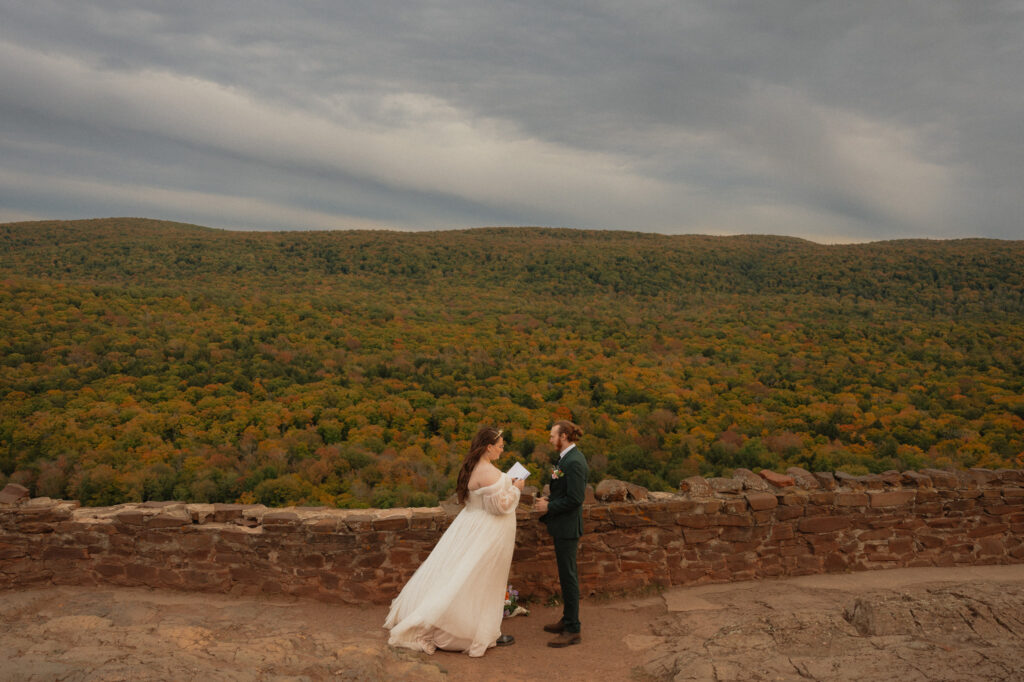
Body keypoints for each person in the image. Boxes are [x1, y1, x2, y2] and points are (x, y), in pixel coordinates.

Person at [384, 426, 525, 657]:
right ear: (488, 447)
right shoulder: (487, 471)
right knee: (479, 580)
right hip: (486, 532)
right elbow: (499, 507)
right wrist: (517, 489)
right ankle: (471, 632)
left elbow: (491, 491)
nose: (502, 448)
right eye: (499, 445)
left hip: (472, 527)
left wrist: (507, 481)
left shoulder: (476, 467)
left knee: (461, 576)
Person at [534, 419, 588, 647]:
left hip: (567, 527)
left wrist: (549, 507)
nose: (549, 439)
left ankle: (573, 629)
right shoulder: (563, 458)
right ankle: (567, 620)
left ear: (564, 436)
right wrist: (549, 499)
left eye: (552, 435)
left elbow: (576, 499)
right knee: (565, 576)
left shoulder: (574, 462)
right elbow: (560, 489)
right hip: (561, 525)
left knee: (569, 577)